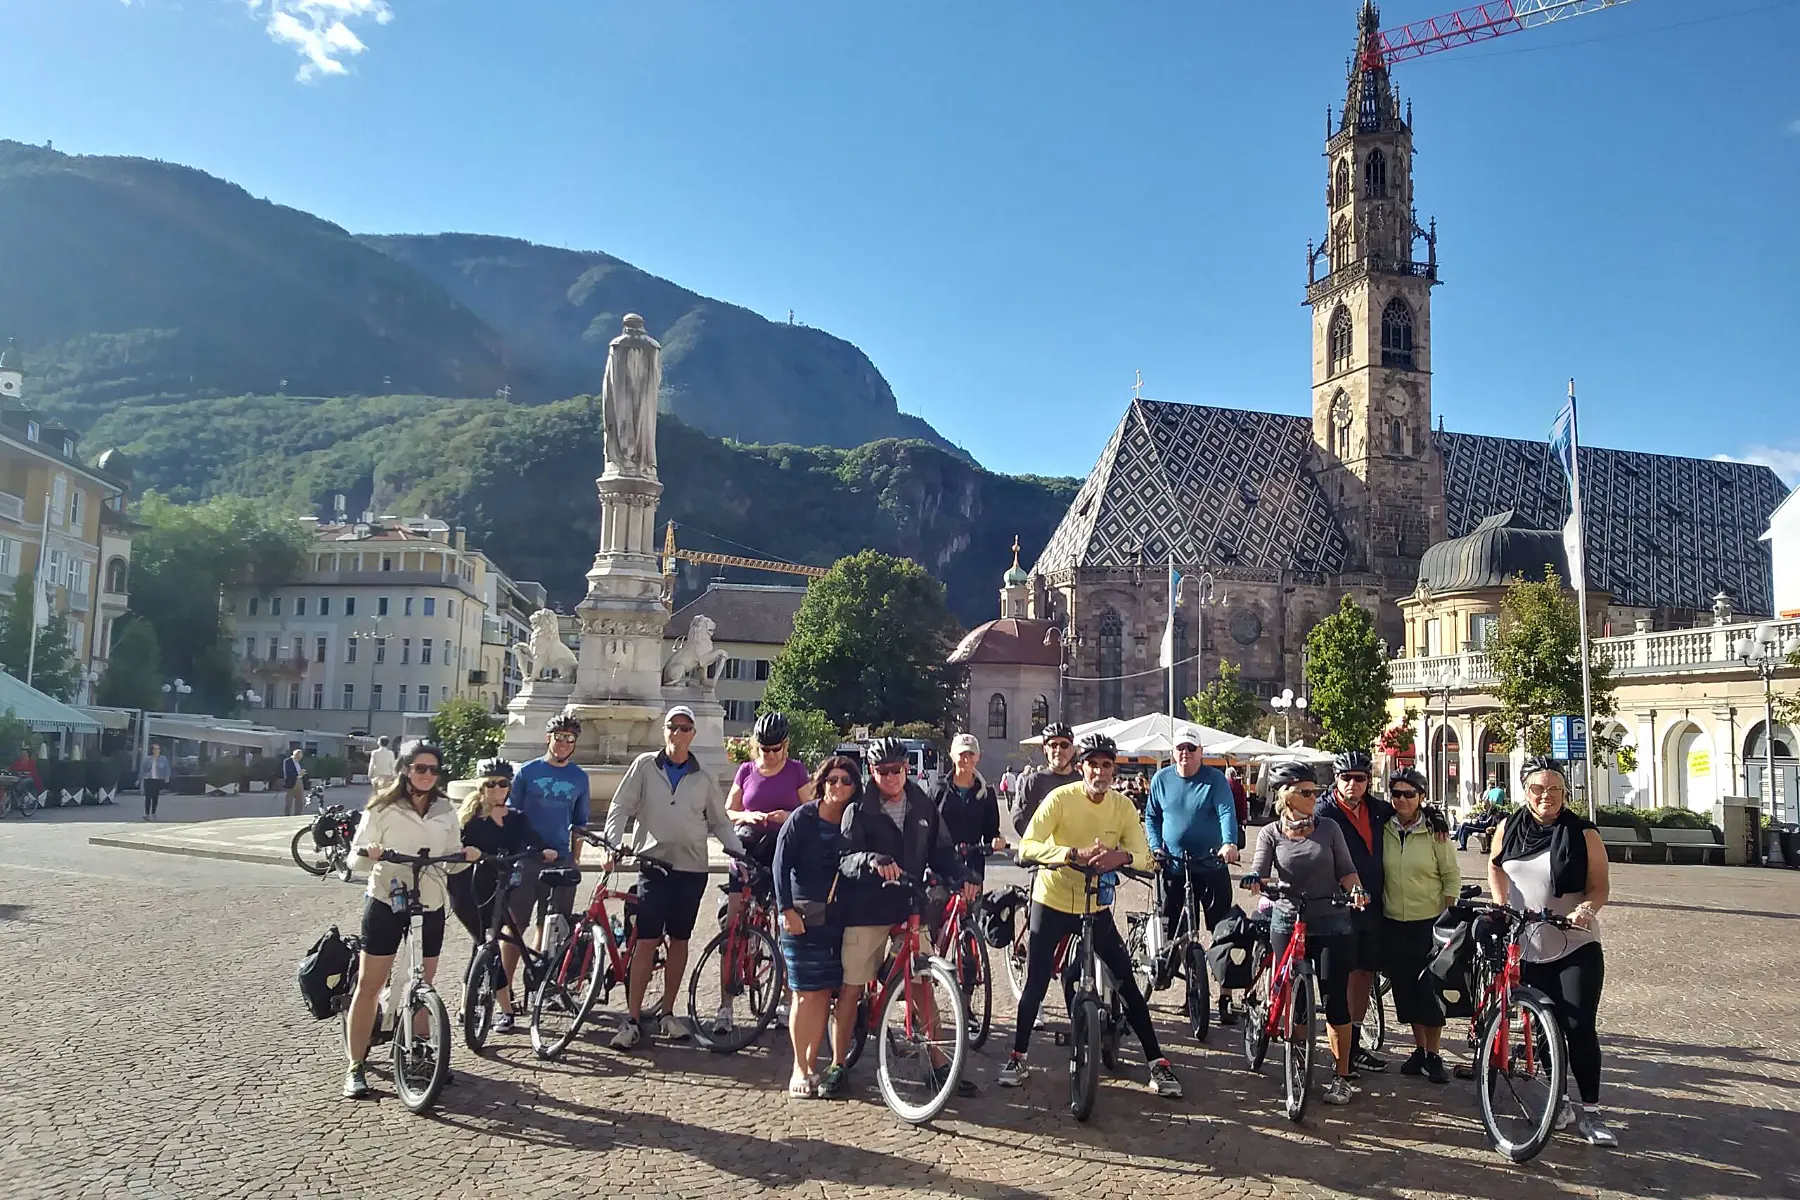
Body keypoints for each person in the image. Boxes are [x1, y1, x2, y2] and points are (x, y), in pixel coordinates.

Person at [1001, 732, 1182, 1098]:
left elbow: (1145, 855)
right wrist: (1069, 854)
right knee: (1036, 981)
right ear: (1081, 767)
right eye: (1093, 765)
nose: (1100, 772)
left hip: (1094, 906)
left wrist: (1123, 858)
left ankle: (1157, 1063)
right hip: (1051, 901)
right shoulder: (1060, 798)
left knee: (1126, 982)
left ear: (1114, 770)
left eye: (1107, 765)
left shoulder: (1122, 806)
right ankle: (1018, 1056)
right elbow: (1030, 845)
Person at [834, 736, 976, 1098]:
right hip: (867, 908)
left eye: (896, 770)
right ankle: (837, 1064)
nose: (890, 777)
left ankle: (940, 1065)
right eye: (882, 772)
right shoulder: (858, 809)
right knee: (852, 987)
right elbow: (846, 859)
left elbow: (942, 851)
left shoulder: (923, 804)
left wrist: (961, 876)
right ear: (871, 771)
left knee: (923, 984)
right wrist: (871, 861)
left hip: (909, 904)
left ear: (907, 769)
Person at [341, 739, 479, 1099]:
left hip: (430, 902)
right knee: (370, 984)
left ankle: (420, 1055)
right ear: (405, 769)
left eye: (434, 770)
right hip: (387, 899)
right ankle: (356, 1065)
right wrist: (370, 854)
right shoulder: (382, 808)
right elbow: (354, 862)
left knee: (423, 983)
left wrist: (465, 855)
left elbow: (450, 860)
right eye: (420, 768)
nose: (427, 775)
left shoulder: (446, 809)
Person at [1488, 758, 1616, 1146]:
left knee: (1578, 1026)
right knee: (1544, 1027)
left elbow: (1600, 886)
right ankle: (1558, 1101)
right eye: (1538, 789)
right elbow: (1496, 867)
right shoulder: (1509, 827)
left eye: (1554, 790)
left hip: (1574, 944)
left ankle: (1591, 1111)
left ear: (1564, 793)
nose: (1546, 797)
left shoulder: (1582, 833)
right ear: (1525, 792)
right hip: (1528, 944)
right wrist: (1501, 904)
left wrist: (1586, 910)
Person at [603, 705, 745, 1048]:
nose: (678, 734)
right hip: (653, 864)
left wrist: (740, 853)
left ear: (693, 734)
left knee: (680, 940)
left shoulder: (704, 776)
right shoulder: (644, 767)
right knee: (646, 941)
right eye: (672, 727)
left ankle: (668, 1013)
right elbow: (621, 805)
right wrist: (612, 842)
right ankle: (633, 1018)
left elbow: (720, 821)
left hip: (691, 870)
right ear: (663, 731)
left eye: (685, 728)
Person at [1245, 759, 1368, 1106]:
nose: (1315, 797)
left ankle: (1341, 1076)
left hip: (1331, 919)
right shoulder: (1270, 832)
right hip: (1287, 917)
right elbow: (1259, 867)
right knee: (1292, 998)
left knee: (1334, 999)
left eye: (1316, 791)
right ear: (1286, 795)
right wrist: (1256, 880)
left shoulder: (1329, 829)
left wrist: (1356, 890)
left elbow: (1346, 870)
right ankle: (1295, 1061)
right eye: (1306, 792)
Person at [718, 710, 812, 1032]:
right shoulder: (746, 771)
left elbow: (809, 812)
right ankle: (725, 1007)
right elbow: (728, 810)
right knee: (733, 927)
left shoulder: (797, 771)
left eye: (775, 749)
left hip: (782, 854)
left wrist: (789, 816)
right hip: (747, 850)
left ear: (785, 746)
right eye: (764, 749)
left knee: (786, 927)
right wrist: (748, 816)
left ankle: (785, 1000)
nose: (769, 755)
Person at [450, 758, 558, 1034]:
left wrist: (544, 850)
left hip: (499, 886)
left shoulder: (516, 817)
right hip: (468, 887)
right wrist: (466, 850)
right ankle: (505, 1009)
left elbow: (532, 838)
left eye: (503, 784)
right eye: (491, 784)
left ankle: (467, 1007)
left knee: (484, 947)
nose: (498, 789)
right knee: (487, 944)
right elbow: (454, 844)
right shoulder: (470, 818)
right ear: (482, 787)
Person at [771, 755, 858, 1097]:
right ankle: (799, 1066)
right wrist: (785, 908)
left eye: (846, 781)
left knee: (823, 993)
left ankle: (813, 1061)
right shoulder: (803, 818)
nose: (838, 786)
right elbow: (781, 863)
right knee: (804, 995)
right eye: (832, 779)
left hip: (836, 919)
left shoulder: (853, 820)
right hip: (801, 917)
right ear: (822, 782)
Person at [1143, 724, 1241, 1025]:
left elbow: (1227, 812)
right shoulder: (1161, 779)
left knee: (1224, 931)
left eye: (1191, 749)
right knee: (1178, 930)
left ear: (1201, 753)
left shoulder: (1215, 781)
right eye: (1180, 749)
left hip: (1210, 865)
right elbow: (1152, 816)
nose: (1185, 754)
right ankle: (1192, 991)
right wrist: (1155, 847)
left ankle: (1225, 996)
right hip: (1172, 866)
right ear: (1174, 753)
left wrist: (1229, 843)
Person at [1315, 748, 1394, 1075]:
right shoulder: (1323, 811)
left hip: (1372, 903)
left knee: (1364, 971)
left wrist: (1431, 817)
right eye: (1346, 778)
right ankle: (1339, 1050)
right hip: (1336, 905)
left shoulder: (1379, 810)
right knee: (1340, 974)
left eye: (1359, 778)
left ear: (1368, 781)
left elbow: (1408, 814)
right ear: (1336, 779)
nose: (1352, 784)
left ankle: (1357, 1038)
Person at [1380, 766, 1458, 1084]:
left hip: (1429, 920)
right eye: (1396, 793)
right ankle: (1420, 1050)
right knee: (1406, 989)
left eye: (1409, 794)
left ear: (1421, 797)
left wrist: (1449, 918)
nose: (1401, 799)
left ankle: (1436, 1054)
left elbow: (1450, 874)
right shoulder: (1383, 826)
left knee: (1430, 989)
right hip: (1393, 920)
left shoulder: (1435, 831)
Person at [509, 713, 592, 944]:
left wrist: (574, 860)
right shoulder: (527, 772)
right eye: (559, 737)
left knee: (550, 927)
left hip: (560, 859)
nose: (564, 743)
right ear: (548, 738)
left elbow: (579, 824)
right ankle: (503, 980)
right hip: (527, 857)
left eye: (570, 738)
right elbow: (511, 815)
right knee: (515, 925)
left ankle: (537, 976)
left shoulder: (580, 778)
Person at [930, 732, 1006, 894]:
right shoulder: (938, 789)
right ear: (952, 756)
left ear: (978, 756)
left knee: (969, 916)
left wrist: (996, 841)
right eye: (962, 754)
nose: (966, 759)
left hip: (973, 868)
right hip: (942, 866)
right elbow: (927, 826)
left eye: (971, 754)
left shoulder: (986, 793)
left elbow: (991, 832)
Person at [1012, 722, 1079, 837]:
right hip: (1044, 850)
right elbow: (1020, 818)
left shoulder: (1081, 781)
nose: (1058, 750)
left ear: (1072, 749)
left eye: (1064, 745)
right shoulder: (1035, 781)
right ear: (1045, 749)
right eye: (1053, 745)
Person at [140, 741, 171, 821]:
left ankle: (153, 813)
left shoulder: (163, 759)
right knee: (148, 797)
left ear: (160, 750)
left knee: (155, 797)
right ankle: (146, 814)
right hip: (148, 779)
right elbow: (142, 770)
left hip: (157, 780)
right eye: (154, 749)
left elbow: (167, 769)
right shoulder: (147, 759)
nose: (156, 750)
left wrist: (167, 777)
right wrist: (139, 779)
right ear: (152, 750)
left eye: (157, 749)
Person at [281, 748, 308, 817]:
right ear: (295, 755)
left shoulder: (299, 763)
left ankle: (298, 814)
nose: (299, 758)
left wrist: (302, 773)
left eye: (300, 757)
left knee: (300, 799)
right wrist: (299, 773)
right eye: (298, 757)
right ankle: (287, 814)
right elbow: (288, 772)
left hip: (299, 781)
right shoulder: (288, 761)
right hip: (291, 781)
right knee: (289, 800)